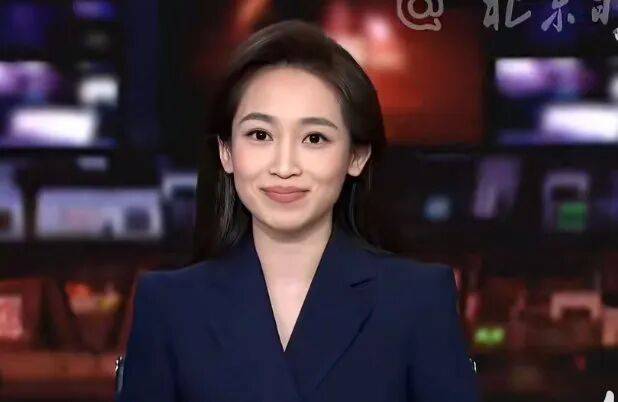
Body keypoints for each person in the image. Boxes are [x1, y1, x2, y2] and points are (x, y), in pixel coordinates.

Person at [116, 19, 481, 402]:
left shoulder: (418, 298)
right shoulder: (169, 305)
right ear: (226, 152)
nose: (285, 166)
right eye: (260, 135)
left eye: (314, 138)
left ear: (356, 156)